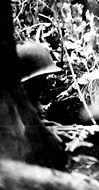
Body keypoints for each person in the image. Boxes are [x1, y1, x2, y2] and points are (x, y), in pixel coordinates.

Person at [16, 41, 67, 169]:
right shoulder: (8, 108)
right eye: (39, 80)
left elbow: (36, 116)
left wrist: (49, 127)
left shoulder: (32, 100)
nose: (45, 85)